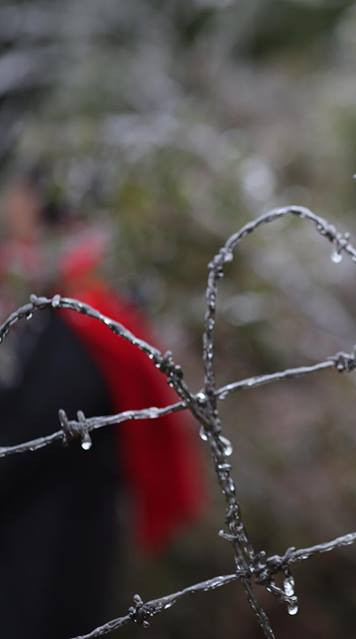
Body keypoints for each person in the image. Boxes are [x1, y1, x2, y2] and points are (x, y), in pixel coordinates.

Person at [0, 167, 205, 638]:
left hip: (46, 541)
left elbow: (31, 433)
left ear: (39, 207)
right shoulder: (64, 293)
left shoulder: (79, 312)